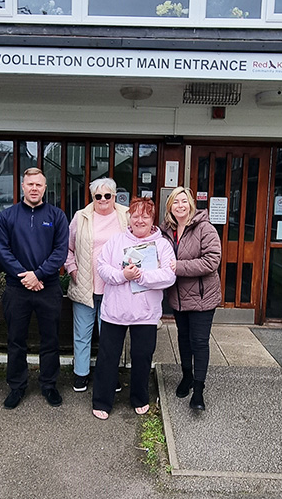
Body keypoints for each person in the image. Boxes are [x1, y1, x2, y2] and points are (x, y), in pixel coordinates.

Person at [91, 196, 175, 420]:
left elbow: (168, 275)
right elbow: (102, 268)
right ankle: (102, 400)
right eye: (135, 215)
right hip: (115, 311)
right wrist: (122, 275)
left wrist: (142, 276)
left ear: (152, 219)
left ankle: (139, 397)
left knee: (142, 356)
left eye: (145, 216)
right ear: (129, 217)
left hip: (145, 314)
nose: (140, 220)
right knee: (108, 357)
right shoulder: (116, 241)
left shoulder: (162, 244)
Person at [0, 167, 70, 409]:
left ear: (45, 188)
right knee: (16, 339)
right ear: (23, 187)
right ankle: (17, 386)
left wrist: (37, 275)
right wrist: (25, 276)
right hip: (17, 289)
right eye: (30, 184)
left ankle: (49, 385)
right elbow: (2, 251)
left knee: (50, 339)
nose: (34, 188)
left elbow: (60, 252)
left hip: (47, 287)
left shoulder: (57, 216)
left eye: (39, 185)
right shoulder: (7, 217)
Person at [65, 178, 130, 392]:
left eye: (107, 196)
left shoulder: (126, 215)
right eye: (98, 196)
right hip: (85, 285)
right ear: (92, 197)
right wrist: (72, 269)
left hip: (114, 287)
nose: (103, 200)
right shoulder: (81, 217)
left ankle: (110, 374)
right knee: (82, 333)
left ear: (114, 196)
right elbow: (68, 248)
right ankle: (81, 374)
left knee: (110, 337)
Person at [163, 186, 222, 411]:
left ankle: (198, 390)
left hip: (202, 297)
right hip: (178, 298)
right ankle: (186, 377)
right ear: (170, 206)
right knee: (183, 339)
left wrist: (178, 267)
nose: (180, 205)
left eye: (184, 201)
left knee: (199, 342)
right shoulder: (166, 230)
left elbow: (211, 261)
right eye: (175, 202)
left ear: (190, 205)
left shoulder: (204, 228)